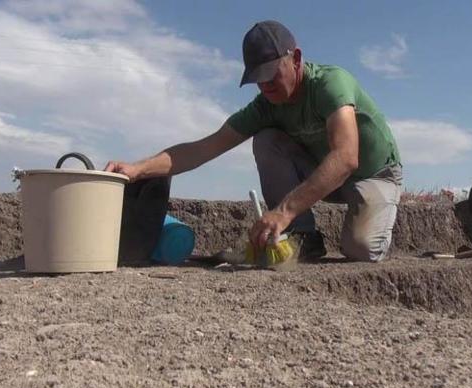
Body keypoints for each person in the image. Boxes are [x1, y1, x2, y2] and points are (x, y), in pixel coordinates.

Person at [105, 20, 402, 262]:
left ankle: (374, 219)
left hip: (372, 174)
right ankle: (303, 237)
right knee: (266, 139)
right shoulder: (264, 107)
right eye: (258, 79)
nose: (265, 86)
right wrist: (137, 169)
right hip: (325, 175)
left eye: (272, 75)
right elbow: (202, 149)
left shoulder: (330, 84)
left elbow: (347, 157)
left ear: (296, 58)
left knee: (361, 249)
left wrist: (283, 211)